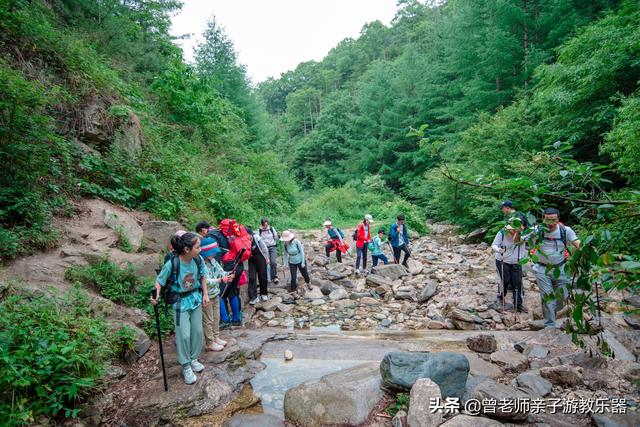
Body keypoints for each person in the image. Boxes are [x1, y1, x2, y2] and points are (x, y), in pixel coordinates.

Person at [151, 232, 209, 385]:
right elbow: (159, 281)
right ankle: (185, 366)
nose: (200, 250)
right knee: (183, 335)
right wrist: (155, 296)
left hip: (195, 298)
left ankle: (193, 358)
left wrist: (205, 294)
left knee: (197, 331)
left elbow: (203, 275)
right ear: (186, 249)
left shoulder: (198, 259)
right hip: (179, 301)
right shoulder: (173, 263)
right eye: (197, 247)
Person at [532, 207, 580, 328]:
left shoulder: (565, 231)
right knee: (548, 298)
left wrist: (588, 249)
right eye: (547, 220)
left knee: (562, 298)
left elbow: (577, 243)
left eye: (553, 220)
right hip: (542, 269)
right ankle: (550, 326)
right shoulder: (536, 230)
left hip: (561, 268)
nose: (550, 224)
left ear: (558, 219)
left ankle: (551, 311)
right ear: (543, 219)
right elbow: (520, 239)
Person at [200, 235, 230, 352]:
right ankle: (210, 342)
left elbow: (220, 271)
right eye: (212, 253)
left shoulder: (213, 261)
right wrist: (219, 280)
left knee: (216, 317)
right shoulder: (201, 263)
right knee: (208, 320)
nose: (214, 254)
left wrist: (227, 275)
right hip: (206, 295)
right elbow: (205, 281)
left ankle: (216, 337)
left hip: (215, 293)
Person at [491, 218, 527, 312]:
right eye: (511, 229)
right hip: (502, 261)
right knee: (505, 280)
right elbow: (494, 245)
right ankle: (501, 296)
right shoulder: (502, 233)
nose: (512, 231)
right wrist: (499, 250)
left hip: (517, 262)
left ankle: (518, 305)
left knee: (517, 283)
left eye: (514, 229)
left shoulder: (524, 235)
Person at [281, 230, 310, 299]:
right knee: (293, 277)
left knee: (305, 274)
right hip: (291, 262)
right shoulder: (285, 244)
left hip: (300, 260)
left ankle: (308, 283)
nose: (285, 240)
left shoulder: (296, 242)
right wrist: (284, 264)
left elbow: (302, 252)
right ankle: (293, 292)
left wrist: (303, 262)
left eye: (286, 239)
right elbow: (285, 255)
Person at [246, 226, 270, 304]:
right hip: (251, 260)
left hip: (260, 257)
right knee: (252, 277)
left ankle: (264, 294)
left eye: (247, 235)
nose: (246, 237)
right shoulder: (244, 240)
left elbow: (264, 248)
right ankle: (253, 297)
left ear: (251, 234)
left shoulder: (256, 237)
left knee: (262, 276)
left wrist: (267, 258)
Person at [259, 218, 279, 284]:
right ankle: (268, 278)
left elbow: (276, 237)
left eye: (267, 225)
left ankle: (275, 277)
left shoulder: (271, 229)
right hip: (264, 249)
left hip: (272, 247)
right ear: (262, 225)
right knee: (266, 263)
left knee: (273, 262)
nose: (266, 227)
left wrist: (278, 235)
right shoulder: (259, 231)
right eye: (264, 225)